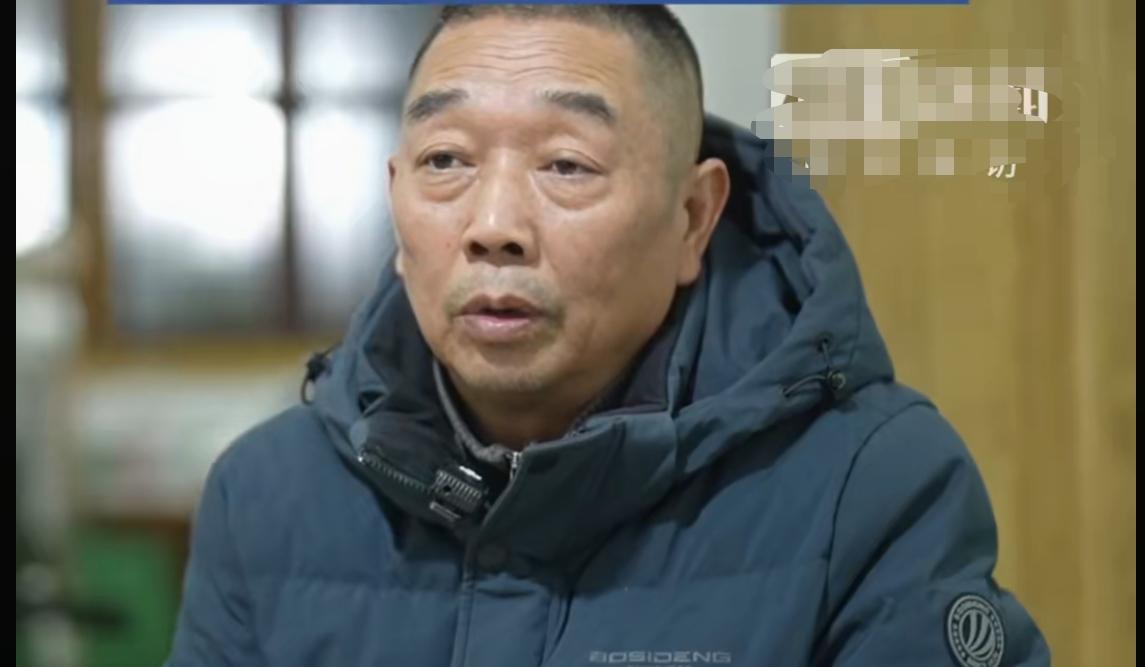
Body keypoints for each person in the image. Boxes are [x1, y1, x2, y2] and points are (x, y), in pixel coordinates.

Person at [166, 6, 1050, 666]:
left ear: (692, 218)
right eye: (445, 161)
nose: (494, 225)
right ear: (395, 199)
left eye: (566, 164)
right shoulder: (266, 495)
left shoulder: (871, 484)